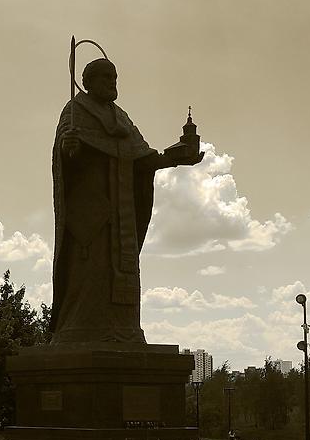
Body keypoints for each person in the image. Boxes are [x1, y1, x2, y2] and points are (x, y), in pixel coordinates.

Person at [50, 58, 204, 344]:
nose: (112, 82)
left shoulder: (121, 118)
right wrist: (68, 149)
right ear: (88, 82)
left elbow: (143, 159)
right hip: (91, 215)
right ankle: (78, 331)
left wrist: (177, 158)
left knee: (118, 272)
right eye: (106, 77)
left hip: (121, 215)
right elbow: (65, 160)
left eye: (115, 77)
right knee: (90, 275)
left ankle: (123, 330)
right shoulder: (75, 112)